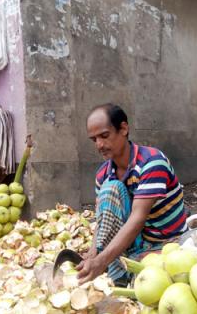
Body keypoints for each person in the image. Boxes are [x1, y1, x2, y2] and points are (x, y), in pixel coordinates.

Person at [76, 103, 188, 285]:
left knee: (150, 284)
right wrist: (93, 253)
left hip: (167, 244)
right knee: (109, 190)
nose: (100, 145)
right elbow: (103, 219)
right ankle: (115, 265)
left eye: (104, 136)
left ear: (123, 129)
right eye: (94, 139)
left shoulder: (152, 162)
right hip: (135, 243)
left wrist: (101, 261)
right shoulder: (103, 174)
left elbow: (137, 218)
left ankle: (116, 267)